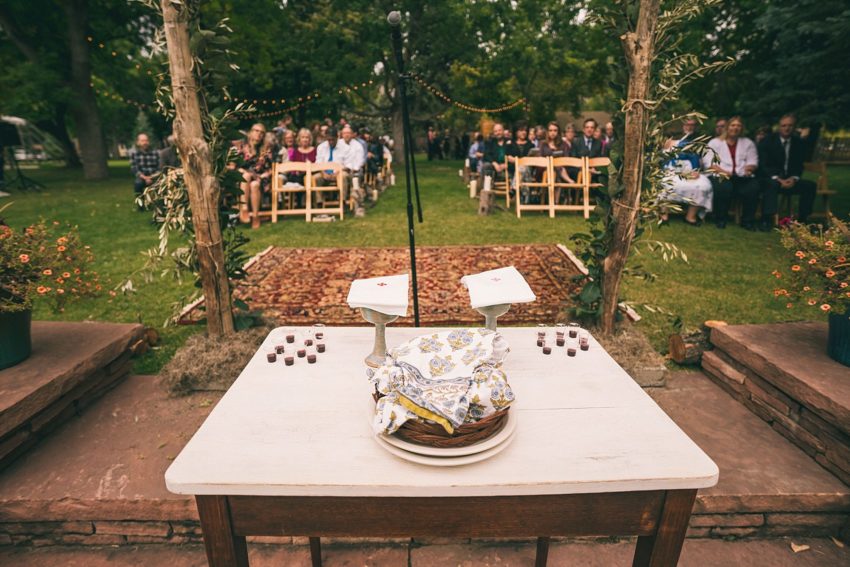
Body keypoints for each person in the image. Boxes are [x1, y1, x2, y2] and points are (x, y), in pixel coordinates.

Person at [759, 113, 817, 225]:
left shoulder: (799, 143)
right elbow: (763, 165)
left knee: (810, 186)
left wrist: (794, 178)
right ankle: (766, 219)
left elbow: (799, 165)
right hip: (772, 178)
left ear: (794, 127)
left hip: (790, 179)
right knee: (770, 185)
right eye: (784, 125)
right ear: (779, 127)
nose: (787, 128)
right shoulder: (768, 141)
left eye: (790, 125)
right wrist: (778, 179)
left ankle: (803, 219)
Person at [703, 116, 760, 230]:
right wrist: (724, 172)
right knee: (723, 188)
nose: (735, 128)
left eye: (738, 126)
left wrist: (749, 169)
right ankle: (720, 219)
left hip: (741, 175)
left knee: (753, 188)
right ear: (727, 127)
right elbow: (708, 162)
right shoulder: (715, 142)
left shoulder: (748, 143)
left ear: (742, 128)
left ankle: (747, 221)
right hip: (720, 174)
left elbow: (753, 161)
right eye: (733, 125)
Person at [659, 122, 712, 226]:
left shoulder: (699, 141)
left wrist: (696, 170)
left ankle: (690, 216)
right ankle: (663, 215)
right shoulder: (669, 141)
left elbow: (697, 159)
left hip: (690, 172)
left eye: (692, 125)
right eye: (687, 124)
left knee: (702, 186)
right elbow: (663, 158)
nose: (689, 127)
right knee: (666, 184)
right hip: (671, 171)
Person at [233, 123, 274, 229]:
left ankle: (255, 216)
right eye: (257, 131)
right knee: (246, 176)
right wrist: (246, 172)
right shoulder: (241, 147)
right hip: (242, 179)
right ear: (250, 132)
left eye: (262, 133)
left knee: (255, 184)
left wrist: (262, 176)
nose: (259, 134)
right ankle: (245, 208)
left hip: (259, 179)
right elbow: (235, 166)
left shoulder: (265, 149)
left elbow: (270, 169)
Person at [540, 121, 574, 203]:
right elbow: (540, 158)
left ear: (558, 132)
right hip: (544, 170)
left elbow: (567, 158)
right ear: (547, 132)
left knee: (557, 170)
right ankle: (570, 181)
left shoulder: (563, 144)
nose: (552, 133)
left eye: (555, 130)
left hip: (560, 169)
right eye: (550, 130)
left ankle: (554, 202)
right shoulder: (543, 144)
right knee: (555, 168)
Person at [129, 132, 160, 209]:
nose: (145, 143)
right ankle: (141, 205)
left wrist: (151, 177)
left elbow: (159, 167)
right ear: (138, 142)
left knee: (162, 183)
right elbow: (134, 168)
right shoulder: (134, 154)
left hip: (154, 176)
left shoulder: (155, 153)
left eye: (146, 140)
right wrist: (145, 178)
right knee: (138, 183)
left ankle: (160, 205)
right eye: (142, 141)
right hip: (142, 177)